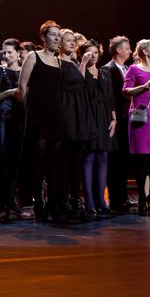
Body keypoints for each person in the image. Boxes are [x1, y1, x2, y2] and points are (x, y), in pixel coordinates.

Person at [19, 21, 64, 220]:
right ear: (44, 37)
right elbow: (22, 87)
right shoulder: (33, 56)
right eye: (53, 34)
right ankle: (39, 202)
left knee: (54, 162)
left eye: (58, 35)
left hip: (56, 116)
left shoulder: (59, 61)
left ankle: (53, 203)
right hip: (37, 116)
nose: (56, 38)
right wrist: (30, 112)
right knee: (38, 161)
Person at [122, 39, 150, 214]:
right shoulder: (134, 69)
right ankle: (142, 196)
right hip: (141, 117)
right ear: (145, 52)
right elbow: (126, 91)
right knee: (142, 159)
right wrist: (143, 87)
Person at [0, 38, 25, 221]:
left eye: (10, 52)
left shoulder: (25, 71)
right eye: (5, 52)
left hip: (20, 119)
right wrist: (8, 93)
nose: (6, 55)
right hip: (2, 119)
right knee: (1, 161)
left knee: (16, 162)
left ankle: (11, 202)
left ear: (18, 52)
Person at [79, 40, 116, 215]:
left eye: (95, 52)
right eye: (89, 52)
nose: (93, 55)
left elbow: (110, 97)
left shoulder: (104, 72)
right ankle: (89, 201)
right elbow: (78, 87)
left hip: (103, 117)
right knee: (88, 157)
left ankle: (101, 200)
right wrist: (83, 62)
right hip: (87, 117)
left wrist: (114, 119)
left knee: (103, 156)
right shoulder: (80, 70)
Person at [59, 29, 90, 219]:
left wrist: (83, 63)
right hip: (67, 111)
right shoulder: (58, 63)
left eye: (73, 41)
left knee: (77, 158)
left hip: (79, 110)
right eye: (68, 40)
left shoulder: (73, 62)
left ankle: (76, 199)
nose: (72, 43)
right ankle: (64, 200)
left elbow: (82, 82)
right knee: (66, 158)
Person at [100, 36, 132, 211]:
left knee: (125, 159)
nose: (130, 51)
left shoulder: (127, 68)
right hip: (116, 119)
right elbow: (108, 96)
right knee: (115, 160)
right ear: (118, 50)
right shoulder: (107, 69)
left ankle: (123, 196)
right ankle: (116, 199)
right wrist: (113, 118)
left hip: (128, 119)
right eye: (127, 48)